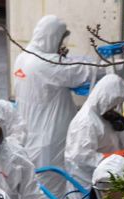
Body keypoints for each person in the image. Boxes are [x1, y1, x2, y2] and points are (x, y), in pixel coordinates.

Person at [11, 15, 100, 171]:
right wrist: (119, 65)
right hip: (49, 141)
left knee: (35, 186)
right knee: (54, 187)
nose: (62, 44)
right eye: (60, 39)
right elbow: (84, 70)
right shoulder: (47, 64)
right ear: (52, 38)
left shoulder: (23, 58)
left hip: (29, 137)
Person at [64, 74, 124, 187]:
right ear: (105, 99)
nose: (115, 108)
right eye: (113, 104)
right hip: (88, 181)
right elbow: (80, 157)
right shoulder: (85, 122)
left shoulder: (106, 114)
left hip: (110, 175)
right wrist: (110, 157)